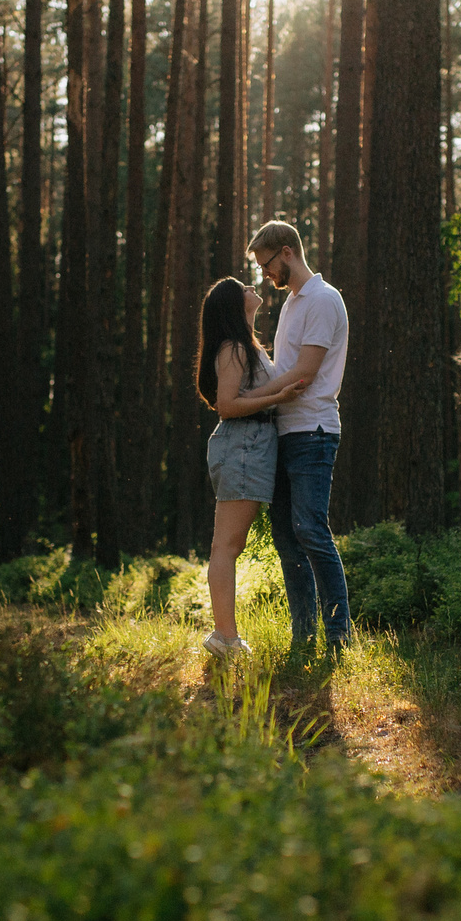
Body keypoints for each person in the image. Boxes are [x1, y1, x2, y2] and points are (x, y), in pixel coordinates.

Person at [248, 220, 351, 652]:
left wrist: (249, 395)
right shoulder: (291, 303)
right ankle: (303, 637)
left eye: (267, 264)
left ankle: (338, 636)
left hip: (314, 430)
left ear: (287, 251)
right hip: (285, 431)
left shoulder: (323, 300)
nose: (265, 275)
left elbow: (305, 374)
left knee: (310, 529)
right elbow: (284, 370)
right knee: (286, 538)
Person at [196, 274, 311, 659]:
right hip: (241, 445)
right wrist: (277, 395)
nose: (252, 288)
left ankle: (225, 637)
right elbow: (227, 406)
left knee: (231, 544)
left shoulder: (247, 346)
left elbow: (246, 394)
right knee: (226, 545)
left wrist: (278, 394)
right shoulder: (233, 348)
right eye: (243, 287)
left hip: (251, 446)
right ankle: (225, 639)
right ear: (234, 303)